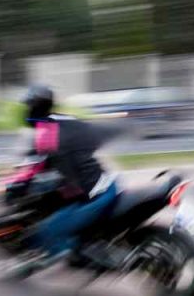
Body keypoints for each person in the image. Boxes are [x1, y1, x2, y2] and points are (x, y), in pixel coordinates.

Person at [21, 85, 122, 266]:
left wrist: (18, 185)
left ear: (35, 106)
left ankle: (86, 260)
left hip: (94, 194)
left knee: (48, 231)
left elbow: (37, 165)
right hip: (107, 181)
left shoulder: (45, 131)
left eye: (28, 105)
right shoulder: (66, 120)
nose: (26, 110)